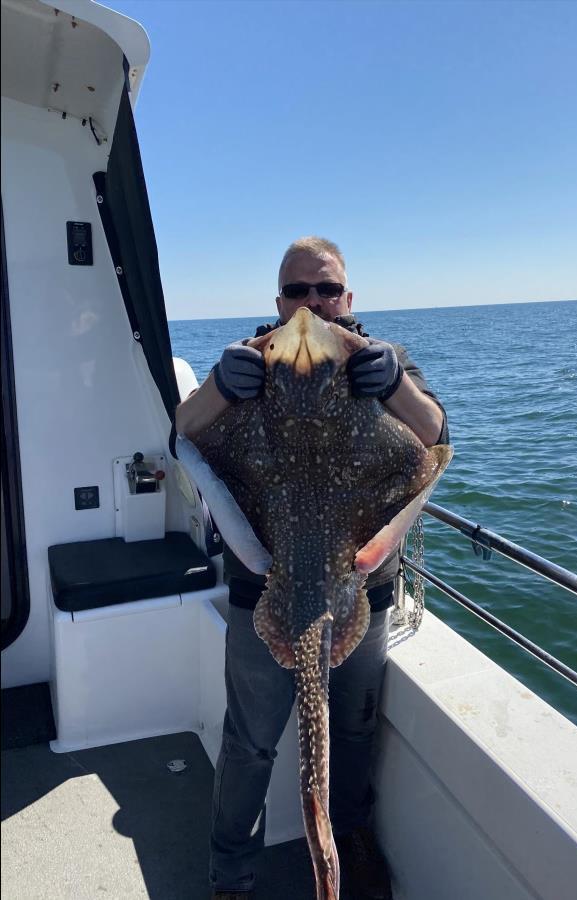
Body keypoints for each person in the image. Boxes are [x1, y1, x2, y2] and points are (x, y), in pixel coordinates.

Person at [175, 237, 448, 900]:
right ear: (278, 301)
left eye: (325, 290)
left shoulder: (384, 359)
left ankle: (344, 844)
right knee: (251, 740)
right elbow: (183, 432)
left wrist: (393, 386)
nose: (312, 304)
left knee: (350, 730)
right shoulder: (249, 360)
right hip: (263, 580)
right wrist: (218, 385)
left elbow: (435, 436)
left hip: (360, 582)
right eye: (298, 291)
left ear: (347, 299)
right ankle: (231, 871)